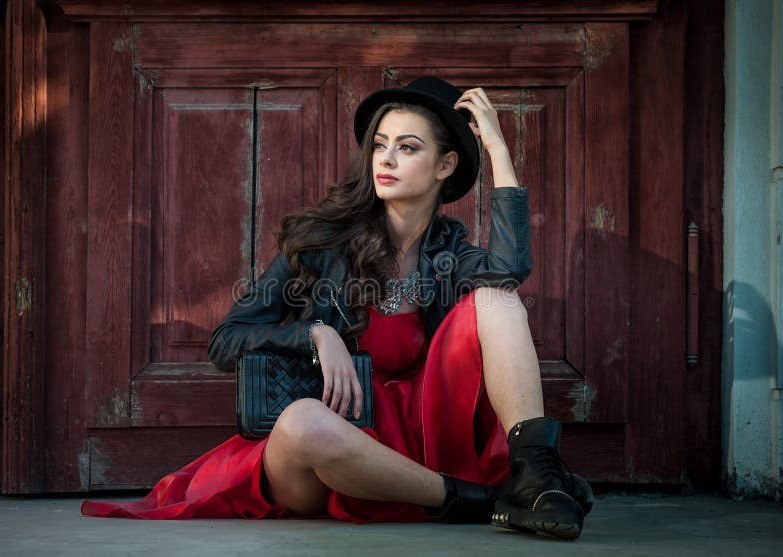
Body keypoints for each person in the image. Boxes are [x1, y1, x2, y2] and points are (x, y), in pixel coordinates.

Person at [81, 76, 593, 539]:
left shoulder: (452, 254)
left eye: (408, 148)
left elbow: (508, 271)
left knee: (496, 297)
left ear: (446, 165)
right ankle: (475, 501)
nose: (386, 160)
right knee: (303, 422)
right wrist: (313, 334)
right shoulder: (319, 242)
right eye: (380, 145)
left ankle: (534, 474)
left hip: (423, 440)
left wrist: (499, 151)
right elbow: (225, 339)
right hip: (337, 447)